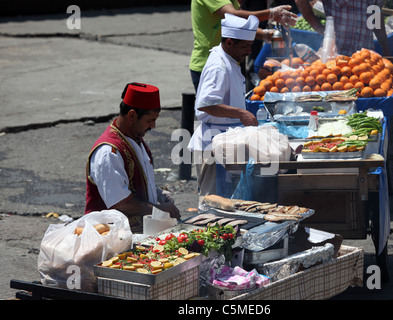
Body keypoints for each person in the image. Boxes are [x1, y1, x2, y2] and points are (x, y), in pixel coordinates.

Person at [85, 82, 180, 233]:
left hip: (138, 234)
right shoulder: (109, 152)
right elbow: (121, 203)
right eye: (150, 120)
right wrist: (159, 209)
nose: (153, 126)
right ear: (132, 115)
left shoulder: (135, 139)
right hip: (112, 238)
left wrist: (158, 193)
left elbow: (134, 182)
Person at [188, 14, 259, 204]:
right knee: (212, 202)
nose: (249, 51)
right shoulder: (219, 66)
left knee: (226, 202)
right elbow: (205, 104)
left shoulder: (228, 60)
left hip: (225, 140)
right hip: (212, 144)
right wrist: (241, 113)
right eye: (245, 46)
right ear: (229, 42)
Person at [190, 0, 298, 91]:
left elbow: (238, 27)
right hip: (210, 65)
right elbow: (231, 16)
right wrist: (271, 13)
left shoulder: (231, 2)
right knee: (217, 111)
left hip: (231, 64)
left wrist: (265, 34)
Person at [295, 0, 390, 56]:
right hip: (335, 57)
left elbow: (376, 15)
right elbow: (300, 1)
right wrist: (319, 28)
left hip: (365, 58)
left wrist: (385, 47)